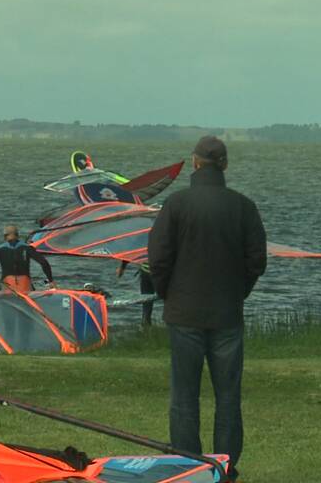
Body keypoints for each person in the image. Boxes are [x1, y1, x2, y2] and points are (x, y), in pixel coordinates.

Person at [148, 135, 266, 482]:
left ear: (195, 163)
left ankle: (190, 466)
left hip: (184, 312)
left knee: (184, 397)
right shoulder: (243, 206)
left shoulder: (176, 204)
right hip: (227, 313)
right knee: (228, 397)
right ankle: (224, 467)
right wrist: (238, 291)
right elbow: (256, 259)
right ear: (225, 165)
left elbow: (158, 258)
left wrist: (168, 293)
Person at [0, 225, 58, 293]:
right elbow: (44, 263)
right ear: (18, 235)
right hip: (25, 287)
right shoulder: (27, 248)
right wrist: (51, 281)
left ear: (5, 236)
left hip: (8, 287)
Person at [116, 260, 156, 327]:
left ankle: (145, 327)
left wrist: (122, 267)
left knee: (146, 302)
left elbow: (132, 251)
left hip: (145, 271)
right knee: (169, 300)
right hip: (159, 272)